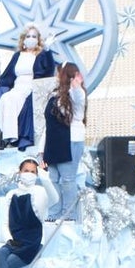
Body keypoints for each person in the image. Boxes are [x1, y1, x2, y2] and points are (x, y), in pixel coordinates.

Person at [0, 24, 57, 153]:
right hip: (17, 86)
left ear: (38, 39)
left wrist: (48, 50)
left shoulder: (41, 54)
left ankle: (13, 136)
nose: (31, 38)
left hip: (31, 87)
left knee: (12, 99)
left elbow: (49, 70)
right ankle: (8, 135)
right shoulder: (18, 55)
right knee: (5, 98)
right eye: (28, 36)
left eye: (34, 36)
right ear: (23, 39)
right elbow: (9, 74)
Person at [42, 62, 83, 220]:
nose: (56, 76)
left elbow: (79, 103)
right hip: (53, 142)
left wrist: (76, 87)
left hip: (69, 142)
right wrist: (42, 150)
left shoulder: (75, 94)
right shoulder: (54, 96)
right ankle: (54, 213)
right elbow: (48, 125)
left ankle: (68, 214)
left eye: (59, 73)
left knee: (67, 179)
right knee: (53, 179)